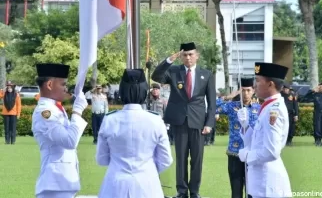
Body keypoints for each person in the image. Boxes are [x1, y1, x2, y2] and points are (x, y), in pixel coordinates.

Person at [151, 42, 216, 198]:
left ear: (197, 56)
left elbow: (212, 102)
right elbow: (156, 76)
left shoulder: (206, 74)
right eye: (185, 55)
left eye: (191, 54)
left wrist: (209, 123)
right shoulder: (174, 71)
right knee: (181, 158)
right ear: (181, 57)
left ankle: (194, 192)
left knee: (197, 159)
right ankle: (181, 191)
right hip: (180, 121)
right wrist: (168, 61)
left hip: (198, 122)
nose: (188, 58)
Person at [95, 69, 173, 198]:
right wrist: (148, 169)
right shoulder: (155, 119)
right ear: (144, 92)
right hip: (148, 185)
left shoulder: (109, 119)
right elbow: (166, 159)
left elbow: (101, 159)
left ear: (121, 91)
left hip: (115, 186)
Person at [32, 63, 88, 198]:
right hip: (54, 183)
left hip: (62, 182)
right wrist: (77, 112)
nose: (66, 89)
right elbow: (69, 141)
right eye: (63, 85)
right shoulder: (45, 112)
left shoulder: (56, 109)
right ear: (50, 85)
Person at [237, 62, 292, 198]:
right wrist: (245, 127)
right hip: (260, 182)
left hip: (268, 184)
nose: (254, 86)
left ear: (270, 84)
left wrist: (248, 156)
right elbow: (259, 140)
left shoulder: (274, 110)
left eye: (258, 81)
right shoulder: (268, 106)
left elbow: (271, 151)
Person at [216, 78, 260, 198]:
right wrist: (228, 96)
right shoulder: (232, 106)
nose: (246, 93)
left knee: (251, 191)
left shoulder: (259, 109)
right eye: (243, 90)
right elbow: (213, 107)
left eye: (248, 90)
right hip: (235, 153)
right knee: (236, 190)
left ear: (253, 91)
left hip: (252, 154)